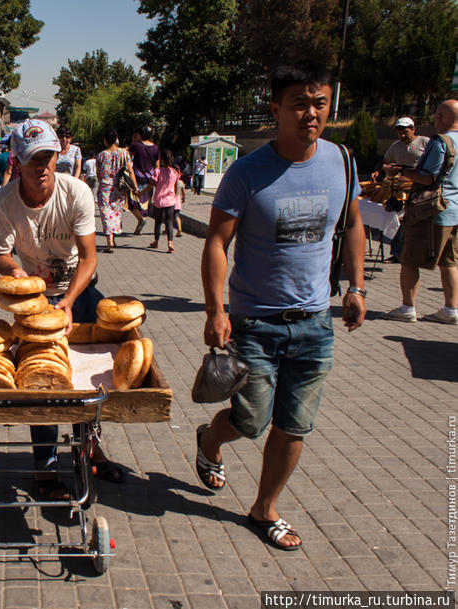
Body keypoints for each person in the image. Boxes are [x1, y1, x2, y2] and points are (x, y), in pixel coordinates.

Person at [197, 61, 366, 551]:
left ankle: (263, 508)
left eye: (320, 102)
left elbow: (352, 223)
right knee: (250, 420)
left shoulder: (342, 161)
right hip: (254, 323)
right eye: (299, 103)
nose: (311, 113)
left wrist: (356, 287)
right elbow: (215, 242)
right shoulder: (247, 173)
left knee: (295, 423)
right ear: (276, 109)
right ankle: (210, 440)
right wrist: (216, 310)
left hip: (316, 322)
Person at [0, 118, 125, 500]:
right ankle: (45, 466)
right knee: (41, 380)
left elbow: (89, 257)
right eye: (34, 159)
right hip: (32, 299)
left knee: (89, 378)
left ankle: (89, 451)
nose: (42, 166)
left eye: (48, 156)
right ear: (17, 161)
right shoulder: (4, 201)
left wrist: (66, 302)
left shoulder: (76, 192)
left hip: (77, 292)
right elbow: (1, 257)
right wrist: (16, 273)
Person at [382, 100, 458, 325]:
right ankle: (451, 309)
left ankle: (407, 307)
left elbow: (428, 176)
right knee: (450, 263)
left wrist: (401, 171)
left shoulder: (440, 141)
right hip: (455, 210)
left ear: (441, 117)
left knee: (410, 259)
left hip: (432, 211)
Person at [372, 117, 430, 262]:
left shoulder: (425, 142)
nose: (403, 136)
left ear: (413, 129)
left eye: (405, 132)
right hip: (399, 187)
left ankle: (421, 251)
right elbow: (385, 161)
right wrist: (377, 171)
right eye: (400, 133)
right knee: (397, 217)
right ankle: (397, 253)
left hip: (420, 187)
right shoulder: (395, 146)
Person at [96, 127, 137, 253]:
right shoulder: (124, 153)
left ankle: (110, 241)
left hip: (105, 187)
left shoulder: (101, 155)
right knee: (116, 212)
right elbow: (130, 170)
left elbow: (98, 174)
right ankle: (113, 237)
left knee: (106, 213)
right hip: (119, 188)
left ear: (105, 140)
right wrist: (135, 187)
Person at [128, 124, 160, 235]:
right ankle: (141, 219)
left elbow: (127, 158)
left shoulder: (136, 146)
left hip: (136, 178)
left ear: (140, 134)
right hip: (149, 179)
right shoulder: (156, 148)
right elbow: (157, 165)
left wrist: (133, 141)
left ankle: (140, 219)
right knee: (145, 203)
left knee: (132, 202)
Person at [147, 150, 180, 252]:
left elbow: (151, 184)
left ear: (161, 159)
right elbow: (175, 184)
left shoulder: (158, 171)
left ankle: (156, 242)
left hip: (159, 200)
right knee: (169, 222)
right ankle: (170, 243)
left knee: (158, 222)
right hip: (170, 200)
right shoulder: (175, 172)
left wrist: (141, 193)